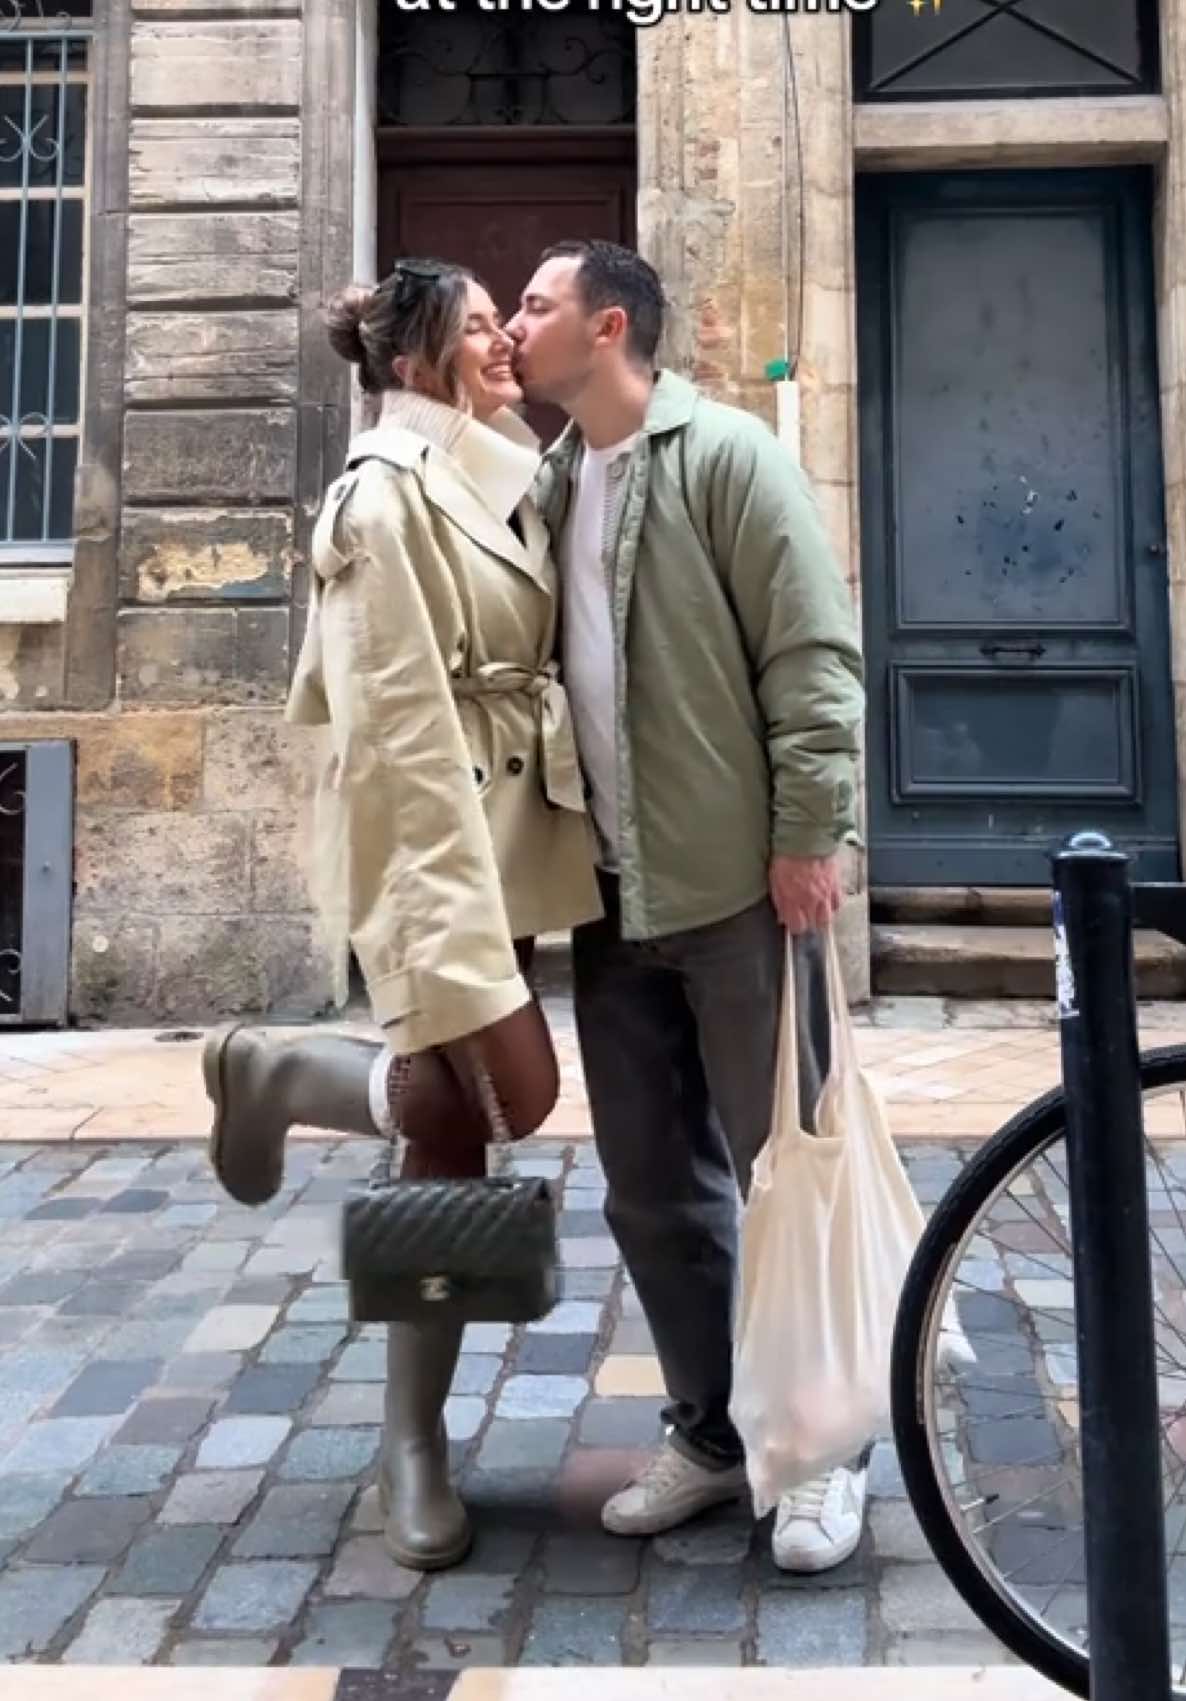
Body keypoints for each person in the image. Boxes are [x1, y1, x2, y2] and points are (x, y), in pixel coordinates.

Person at [201, 257, 602, 1572]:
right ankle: (282, 1077)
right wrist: (447, 932)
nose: (503, 342)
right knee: (501, 1099)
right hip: (436, 849)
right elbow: (399, 747)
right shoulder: (380, 499)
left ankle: (410, 1441)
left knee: (453, 1130)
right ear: (420, 361)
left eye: (503, 322)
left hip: (514, 833)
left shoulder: (497, 467)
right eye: (479, 328)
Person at [506, 240, 869, 1573]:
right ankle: (713, 1436)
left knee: (789, 1176)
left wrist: (808, 834)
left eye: (535, 305)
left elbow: (812, 655)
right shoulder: (552, 480)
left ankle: (824, 1451)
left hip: (737, 889)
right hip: (612, 896)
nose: (515, 324)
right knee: (654, 1191)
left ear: (608, 327)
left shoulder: (728, 458)